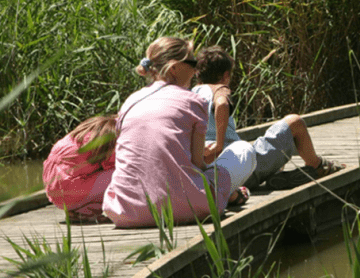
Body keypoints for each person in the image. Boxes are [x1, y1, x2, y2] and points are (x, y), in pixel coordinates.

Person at [102, 37, 256, 228]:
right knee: (243, 150)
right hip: (188, 208)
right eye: (192, 63)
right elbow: (197, 164)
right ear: (174, 68)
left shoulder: (130, 102)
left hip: (127, 211)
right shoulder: (193, 101)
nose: (195, 70)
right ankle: (230, 194)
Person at [192, 46, 345, 190]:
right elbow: (222, 104)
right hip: (239, 167)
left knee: (270, 148)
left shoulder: (188, 95)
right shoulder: (216, 89)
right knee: (294, 123)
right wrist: (219, 147)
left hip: (213, 175)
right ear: (226, 75)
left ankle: (277, 174)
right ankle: (317, 167)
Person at [42, 114, 117, 223]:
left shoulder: (82, 133)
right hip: (70, 191)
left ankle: (80, 211)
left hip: (54, 193)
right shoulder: (109, 135)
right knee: (122, 173)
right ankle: (87, 211)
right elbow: (113, 165)